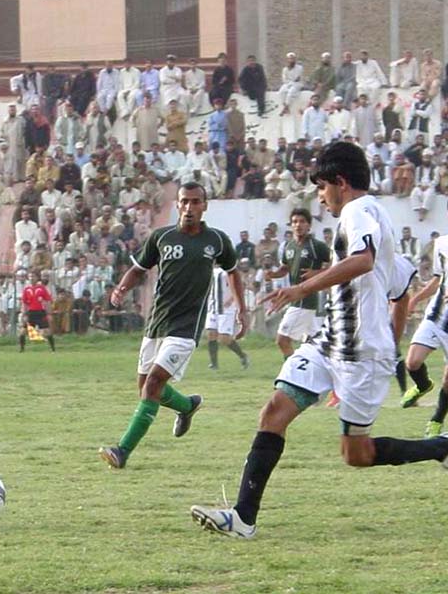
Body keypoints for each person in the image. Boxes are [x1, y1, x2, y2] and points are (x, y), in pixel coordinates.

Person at [190, 141, 448, 539]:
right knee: (274, 412)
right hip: (331, 341)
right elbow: (398, 291)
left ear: (340, 182)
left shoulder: (358, 211)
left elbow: (363, 261)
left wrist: (300, 289)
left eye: (322, 187)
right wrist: (392, 342)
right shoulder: (377, 217)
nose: (320, 196)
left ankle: (441, 447)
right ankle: (243, 518)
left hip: (360, 352)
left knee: (356, 454)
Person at [98, 182, 246, 469]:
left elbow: (233, 272)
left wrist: (241, 307)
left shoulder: (216, 240)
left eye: (195, 202)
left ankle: (122, 451)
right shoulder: (162, 237)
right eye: (184, 202)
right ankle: (188, 406)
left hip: (186, 327)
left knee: (153, 384)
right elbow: (138, 268)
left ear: (205, 206)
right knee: (145, 388)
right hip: (157, 323)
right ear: (177, 205)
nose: (189, 207)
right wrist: (121, 288)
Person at [399, 223, 448, 434]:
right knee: (413, 362)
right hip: (436, 315)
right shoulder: (442, 243)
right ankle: (422, 386)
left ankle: (436, 420)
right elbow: (438, 279)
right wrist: (416, 298)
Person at [263, 208, 331, 358]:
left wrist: (317, 273)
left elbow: (335, 267)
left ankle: (291, 372)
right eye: (294, 222)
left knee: (282, 340)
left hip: (305, 300)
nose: (298, 225)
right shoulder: (289, 246)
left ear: (309, 225)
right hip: (296, 299)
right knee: (313, 345)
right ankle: (313, 373)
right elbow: (285, 268)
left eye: (302, 221)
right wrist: (273, 274)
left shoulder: (317, 246)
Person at [205, 264, 249, 370]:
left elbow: (241, 285)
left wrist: (232, 299)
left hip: (226, 309)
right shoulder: (209, 270)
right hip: (213, 307)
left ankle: (243, 356)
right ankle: (214, 364)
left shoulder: (226, 270)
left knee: (224, 338)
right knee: (211, 334)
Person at [19, 271, 55, 352]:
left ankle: (53, 349)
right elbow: (24, 303)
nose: (32, 278)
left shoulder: (42, 288)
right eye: (30, 276)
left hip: (40, 312)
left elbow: (48, 301)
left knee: (47, 331)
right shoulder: (26, 289)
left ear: (37, 278)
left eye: (33, 276)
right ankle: (22, 349)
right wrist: (24, 314)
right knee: (23, 331)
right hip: (30, 313)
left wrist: (49, 313)